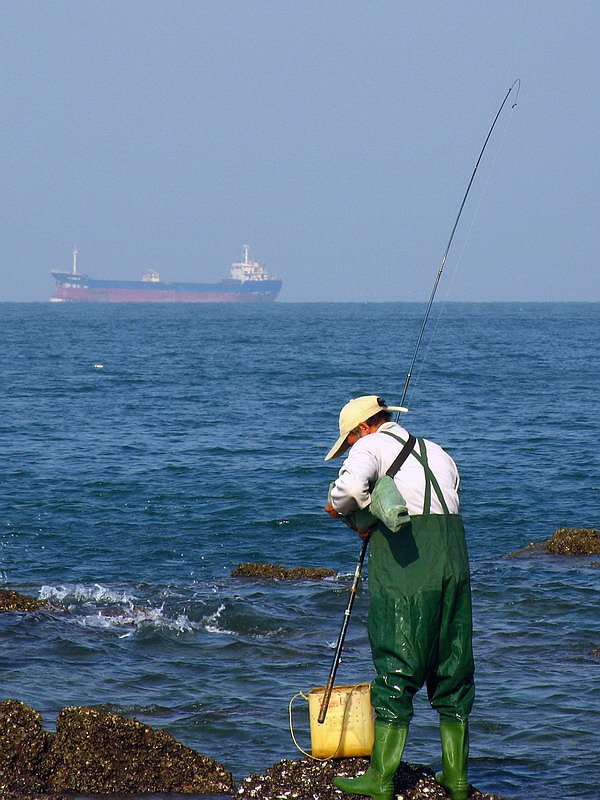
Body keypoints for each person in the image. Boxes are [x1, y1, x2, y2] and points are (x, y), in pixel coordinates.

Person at [324, 395, 475, 800]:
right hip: (455, 562)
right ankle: (457, 780)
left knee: (398, 658)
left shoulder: (369, 446)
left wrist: (344, 509)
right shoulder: (438, 451)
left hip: (409, 565)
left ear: (361, 429)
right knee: (452, 662)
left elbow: (350, 490)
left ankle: (381, 777)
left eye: (349, 438)